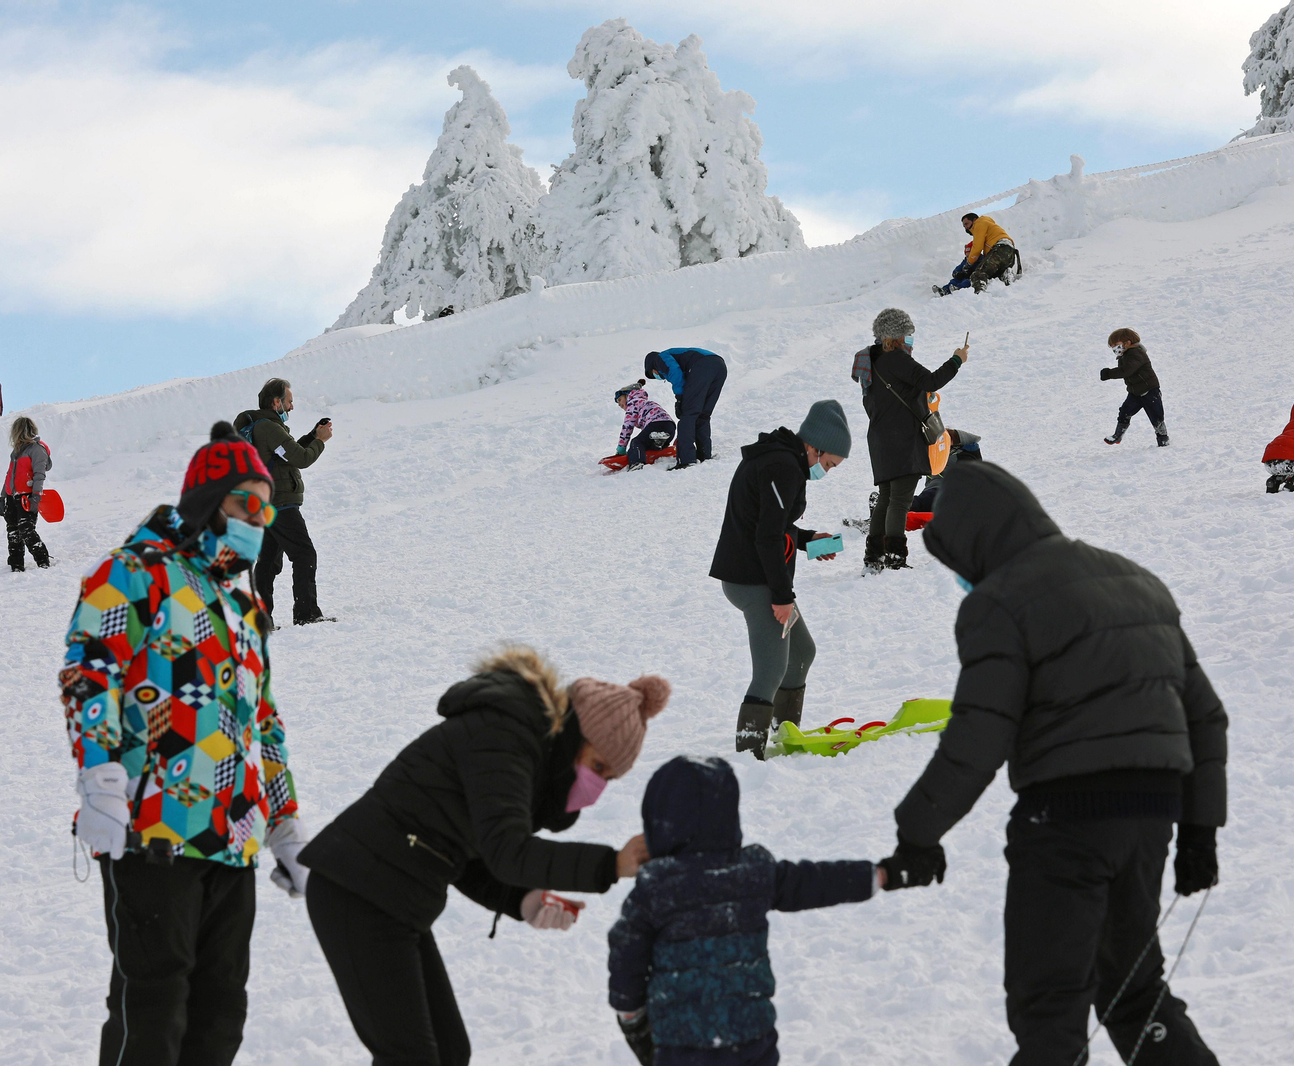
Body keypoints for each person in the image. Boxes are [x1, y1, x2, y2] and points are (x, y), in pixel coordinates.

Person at [882, 461, 1226, 1066]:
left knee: (1050, 1012)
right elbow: (1205, 717)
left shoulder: (999, 602)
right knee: (1133, 990)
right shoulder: (1138, 581)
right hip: (1152, 816)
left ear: (973, 540)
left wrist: (918, 833)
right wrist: (1198, 830)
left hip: (1065, 825)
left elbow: (979, 736)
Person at [60, 422, 307, 1065]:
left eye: (268, 506)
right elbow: (90, 675)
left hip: (232, 840)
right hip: (152, 831)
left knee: (221, 1015)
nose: (261, 517)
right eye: (249, 502)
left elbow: (265, 723)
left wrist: (285, 823)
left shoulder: (245, 609)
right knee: (152, 1013)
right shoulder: (135, 572)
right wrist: (100, 779)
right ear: (207, 500)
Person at [297, 648, 663, 1065]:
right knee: (411, 1057)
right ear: (578, 734)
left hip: (391, 899)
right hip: (358, 889)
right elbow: (507, 851)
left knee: (449, 1052)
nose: (596, 786)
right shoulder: (506, 736)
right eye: (598, 766)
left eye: (608, 779)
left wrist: (522, 899)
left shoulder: (523, 751)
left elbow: (468, 854)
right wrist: (611, 865)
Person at [607, 756, 884, 1066]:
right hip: (752, 1039)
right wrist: (873, 875)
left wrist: (628, 1007)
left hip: (683, 1044)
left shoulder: (656, 887)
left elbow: (626, 949)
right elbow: (813, 882)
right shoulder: (752, 873)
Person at [709, 399, 849, 758]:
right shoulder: (782, 466)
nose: (827, 472)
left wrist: (808, 540)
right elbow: (767, 538)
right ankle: (748, 753)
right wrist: (782, 597)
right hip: (753, 580)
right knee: (771, 670)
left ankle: (784, 733)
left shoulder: (781, 460)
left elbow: (774, 525)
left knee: (801, 652)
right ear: (815, 447)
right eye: (829, 464)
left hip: (760, 575)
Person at [854, 308, 969, 573]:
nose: (910, 340)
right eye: (907, 334)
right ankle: (895, 557)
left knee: (886, 498)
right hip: (903, 441)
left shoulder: (871, 364)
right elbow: (931, 381)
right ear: (896, 336)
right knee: (900, 501)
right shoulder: (897, 360)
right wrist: (957, 359)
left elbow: (871, 406)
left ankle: (874, 557)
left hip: (880, 442)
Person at [233, 378, 333, 626]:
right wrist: (320, 441)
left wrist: (311, 435)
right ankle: (306, 613)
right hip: (280, 505)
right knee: (303, 554)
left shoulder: (259, 427)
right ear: (276, 401)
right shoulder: (269, 428)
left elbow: (286, 456)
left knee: (267, 563)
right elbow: (301, 459)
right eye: (288, 401)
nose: (291, 407)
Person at [644, 348, 728, 470]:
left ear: (651, 365)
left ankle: (686, 459)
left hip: (702, 365)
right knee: (703, 415)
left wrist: (680, 398)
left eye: (653, 373)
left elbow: (675, 374)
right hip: (719, 366)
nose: (658, 376)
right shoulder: (678, 358)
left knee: (688, 415)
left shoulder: (659, 358)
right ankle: (704, 455)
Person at [0, 416, 52, 571]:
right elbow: (9, 475)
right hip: (12, 497)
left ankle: (43, 561)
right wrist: (2, 497)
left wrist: (36, 496)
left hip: (26, 497)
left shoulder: (37, 450)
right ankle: (16, 566)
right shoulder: (15, 453)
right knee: (13, 532)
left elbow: (39, 475)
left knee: (26, 529)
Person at [1101, 328, 1169, 447]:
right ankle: (1117, 435)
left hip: (1149, 391)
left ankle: (1163, 438)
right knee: (1125, 411)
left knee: (1156, 415)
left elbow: (1126, 371)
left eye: (1116, 345)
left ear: (1127, 343)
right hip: (1135, 393)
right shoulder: (1124, 356)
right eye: (1112, 347)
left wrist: (1108, 373)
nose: (1114, 349)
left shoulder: (1136, 353)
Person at [934, 213, 1018, 295]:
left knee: (978, 274)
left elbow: (977, 247)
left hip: (999, 249)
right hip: (1010, 252)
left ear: (974, 220)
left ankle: (979, 293)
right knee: (992, 275)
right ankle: (1005, 273)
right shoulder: (987, 225)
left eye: (966, 224)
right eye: (964, 226)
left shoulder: (979, 224)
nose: (966, 228)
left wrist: (969, 263)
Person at [911, 428, 982, 511]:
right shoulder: (937, 458)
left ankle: (898, 512)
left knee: (916, 503)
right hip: (933, 492)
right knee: (920, 502)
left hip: (948, 492)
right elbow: (929, 481)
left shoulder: (965, 456)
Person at [612, 379, 677, 468]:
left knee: (637, 442)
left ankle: (636, 463)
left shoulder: (632, 404)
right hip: (670, 427)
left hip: (655, 424)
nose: (619, 404)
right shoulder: (645, 402)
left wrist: (621, 448)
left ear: (628, 395)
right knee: (649, 444)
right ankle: (659, 442)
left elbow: (627, 428)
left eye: (619, 399)